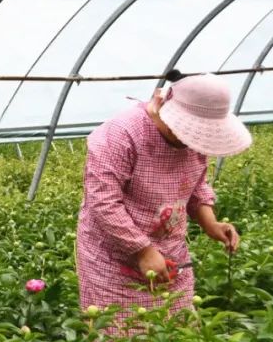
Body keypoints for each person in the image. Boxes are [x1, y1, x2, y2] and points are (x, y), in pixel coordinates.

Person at [76, 71, 251, 325]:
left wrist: (211, 223)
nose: (188, 141)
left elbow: (195, 185)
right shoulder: (122, 134)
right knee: (119, 339)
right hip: (113, 258)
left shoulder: (192, 143)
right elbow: (103, 200)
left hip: (170, 254)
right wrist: (142, 250)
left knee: (176, 332)